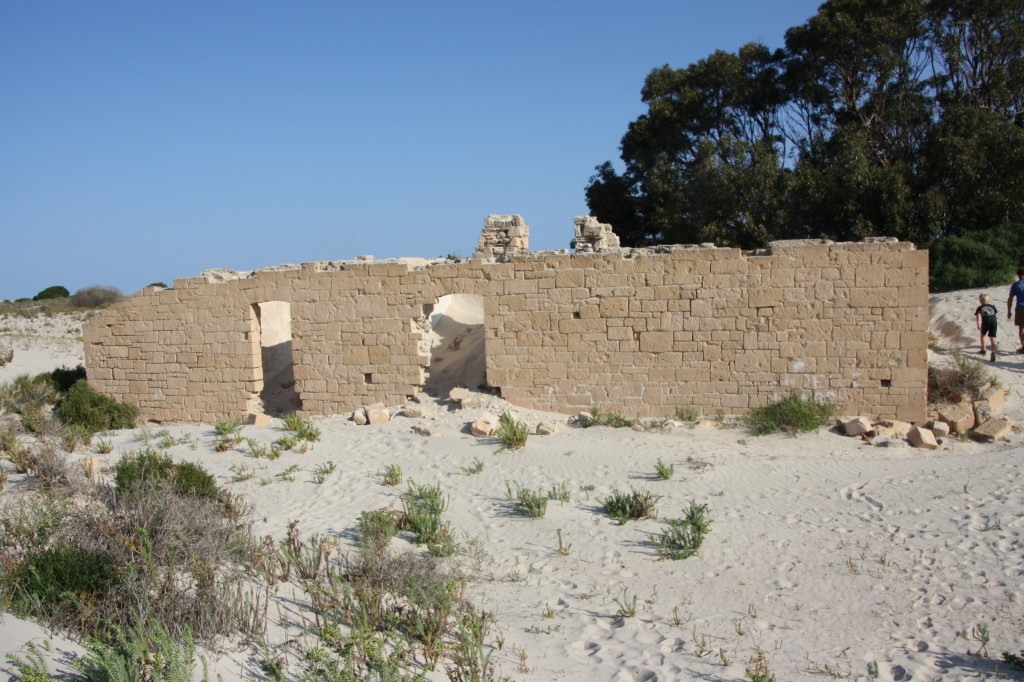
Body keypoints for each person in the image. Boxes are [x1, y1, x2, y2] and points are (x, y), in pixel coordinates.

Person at [976, 294, 998, 361]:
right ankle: (993, 351)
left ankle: (983, 349)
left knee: (983, 335)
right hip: (994, 321)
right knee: (993, 337)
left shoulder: (980, 308)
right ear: (988, 300)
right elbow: (995, 313)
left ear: (980, 301)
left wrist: (978, 323)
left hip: (985, 321)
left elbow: (978, 315)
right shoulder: (992, 306)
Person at [1010, 268, 1024, 354]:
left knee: (1021, 328)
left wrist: (1008, 310)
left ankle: (1023, 347)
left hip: (1020, 307)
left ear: (1017, 275)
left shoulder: (1015, 285)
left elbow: (1010, 298)